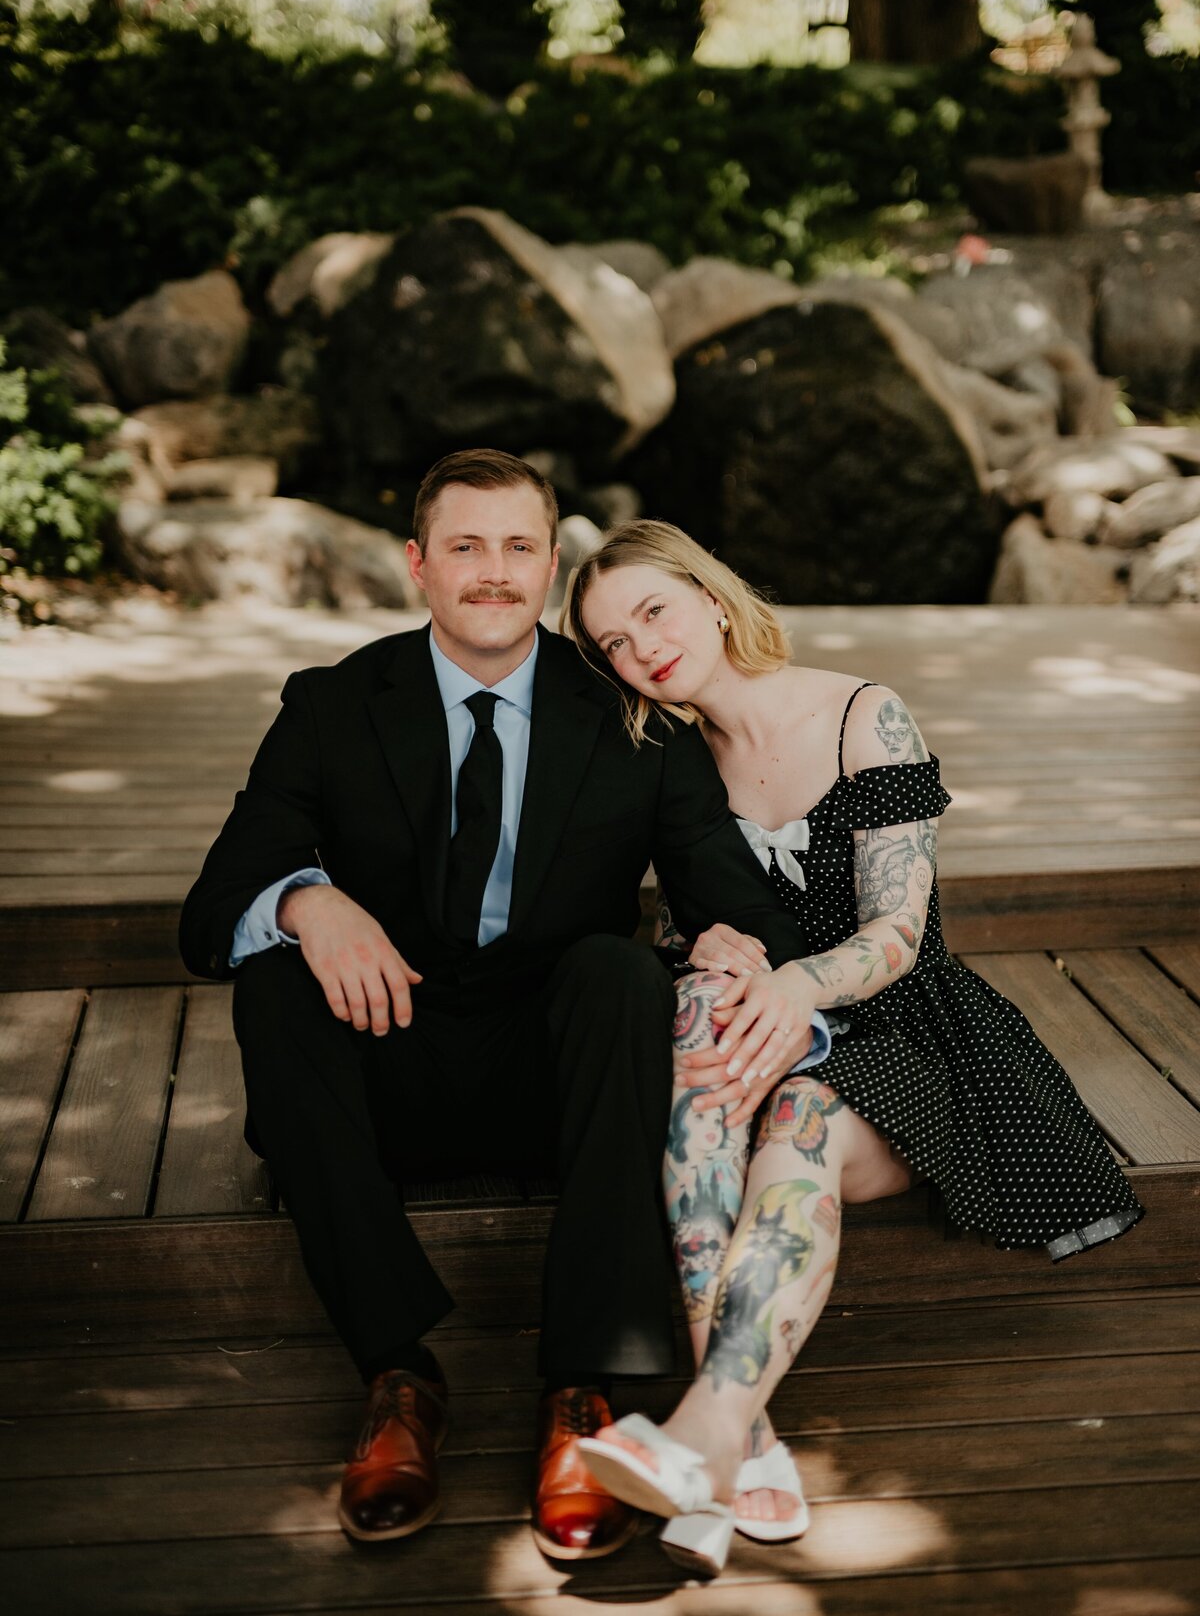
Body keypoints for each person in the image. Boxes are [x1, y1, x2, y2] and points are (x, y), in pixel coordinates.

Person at [178, 451, 828, 1560]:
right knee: (277, 983)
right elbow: (207, 920)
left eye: (519, 546)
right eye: (467, 547)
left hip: (558, 1086)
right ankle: (398, 1380)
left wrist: (737, 943)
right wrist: (306, 903)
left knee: (620, 972)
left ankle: (582, 1394)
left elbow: (740, 904)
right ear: (418, 567)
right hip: (390, 1065)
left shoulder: (632, 719)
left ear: (551, 563)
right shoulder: (334, 705)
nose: (494, 572)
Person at [564, 519, 1144, 1577]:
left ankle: (698, 1438)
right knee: (695, 1034)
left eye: (653, 610)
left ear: (707, 592)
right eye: (611, 642)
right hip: (765, 1037)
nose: (640, 648)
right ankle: (738, 1439)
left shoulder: (859, 715)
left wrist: (792, 987)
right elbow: (682, 925)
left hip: (912, 1041)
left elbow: (897, 932)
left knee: (801, 1110)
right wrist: (716, 948)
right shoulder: (669, 762)